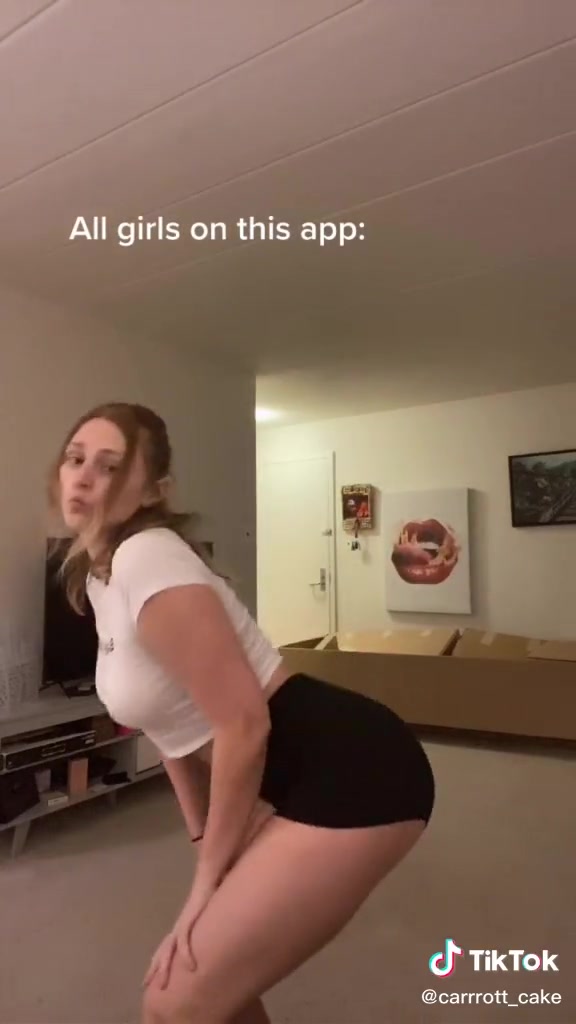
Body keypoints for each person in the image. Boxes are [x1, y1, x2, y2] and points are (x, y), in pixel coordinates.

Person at [50, 401, 435, 1024]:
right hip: (280, 774)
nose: (85, 476)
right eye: (75, 459)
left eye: (111, 465)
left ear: (154, 490)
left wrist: (206, 883)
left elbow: (244, 724)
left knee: (172, 1002)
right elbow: (168, 728)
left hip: (354, 768)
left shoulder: (147, 556)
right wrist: (206, 842)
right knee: (218, 989)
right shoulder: (101, 576)